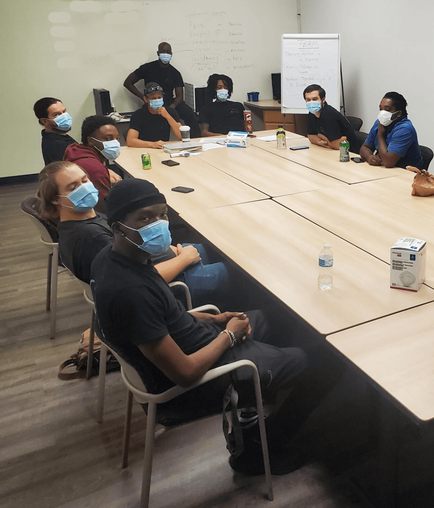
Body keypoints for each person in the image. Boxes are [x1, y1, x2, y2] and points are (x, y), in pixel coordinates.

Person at [92, 178, 331, 474]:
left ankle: (262, 394)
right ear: (117, 227)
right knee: (327, 362)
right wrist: (230, 335)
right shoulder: (131, 293)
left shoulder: (115, 258)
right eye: (144, 217)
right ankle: (257, 450)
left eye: (162, 214)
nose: (158, 224)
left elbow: (168, 317)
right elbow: (186, 373)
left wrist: (215, 319)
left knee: (278, 316)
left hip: (204, 340)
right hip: (204, 374)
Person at [38, 161, 228, 306]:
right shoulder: (92, 238)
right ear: (55, 200)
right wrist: (184, 259)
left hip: (163, 263)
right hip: (169, 286)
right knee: (235, 271)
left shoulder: (78, 221)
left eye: (85, 180)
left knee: (214, 250)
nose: (84, 188)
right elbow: (136, 281)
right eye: (73, 187)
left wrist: (172, 250)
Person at [123, 41, 200, 135]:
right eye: (163, 51)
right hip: (152, 103)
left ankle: (195, 140)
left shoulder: (175, 73)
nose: (165, 54)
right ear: (158, 53)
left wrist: (171, 108)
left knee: (191, 115)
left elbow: (179, 96)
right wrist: (143, 98)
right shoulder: (147, 68)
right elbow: (128, 83)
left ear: (171, 54)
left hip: (170, 103)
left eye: (168, 52)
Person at [63, 115, 122, 210]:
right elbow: (105, 208)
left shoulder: (77, 151)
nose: (115, 143)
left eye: (116, 138)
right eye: (107, 139)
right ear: (90, 141)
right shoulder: (94, 168)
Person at [359, 91, 422, 168]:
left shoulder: (405, 129)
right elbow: (365, 147)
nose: (382, 113)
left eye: (387, 110)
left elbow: (388, 162)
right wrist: (369, 158)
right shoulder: (380, 122)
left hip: (405, 173)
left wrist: (380, 134)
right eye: (381, 109)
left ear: (398, 113)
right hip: (383, 171)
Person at [303, 84, 357, 153]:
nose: (311, 102)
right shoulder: (312, 112)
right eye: (308, 100)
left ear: (323, 100)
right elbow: (310, 136)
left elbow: (338, 145)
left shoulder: (328, 115)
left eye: (315, 99)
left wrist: (320, 136)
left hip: (348, 152)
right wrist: (323, 141)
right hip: (329, 151)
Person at [126, 83, 182, 148]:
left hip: (163, 148)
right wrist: (153, 144)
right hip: (144, 149)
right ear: (146, 99)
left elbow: (182, 135)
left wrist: (167, 116)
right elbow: (130, 141)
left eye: (159, 97)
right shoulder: (138, 115)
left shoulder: (170, 111)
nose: (157, 100)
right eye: (153, 98)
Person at [34, 97, 76, 165]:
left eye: (64, 111)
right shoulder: (55, 146)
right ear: (44, 121)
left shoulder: (61, 137)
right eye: (56, 115)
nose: (64, 117)